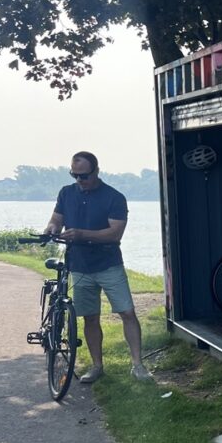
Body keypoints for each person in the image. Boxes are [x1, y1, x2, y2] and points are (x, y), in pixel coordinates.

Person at [43, 151, 153, 382]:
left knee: (127, 312)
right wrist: (51, 228)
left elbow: (115, 233)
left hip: (108, 264)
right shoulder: (66, 192)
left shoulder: (114, 197)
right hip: (79, 266)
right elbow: (56, 219)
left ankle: (138, 365)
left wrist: (82, 234)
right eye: (74, 175)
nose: (79, 180)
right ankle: (97, 366)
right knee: (90, 317)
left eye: (83, 176)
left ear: (96, 171)